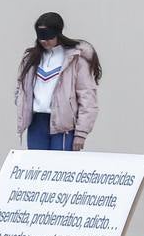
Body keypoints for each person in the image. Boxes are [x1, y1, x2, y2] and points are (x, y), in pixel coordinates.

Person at [15, 12, 101, 151]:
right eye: (40, 36)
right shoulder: (31, 59)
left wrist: (81, 133)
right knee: (37, 168)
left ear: (58, 33)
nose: (44, 41)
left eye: (48, 36)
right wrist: (21, 104)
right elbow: (20, 89)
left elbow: (87, 97)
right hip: (37, 122)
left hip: (63, 126)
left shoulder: (75, 58)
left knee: (60, 168)